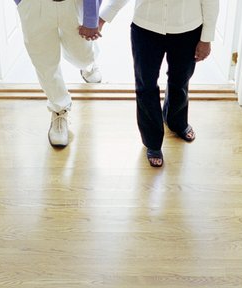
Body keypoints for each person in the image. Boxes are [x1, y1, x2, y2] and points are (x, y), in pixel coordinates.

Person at [100, 0, 218, 167]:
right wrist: (102, 17)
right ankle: (152, 141)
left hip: (188, 29)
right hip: (146, 27)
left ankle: (176, 122)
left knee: (180, 80)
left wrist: (206, 38)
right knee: (145, 85)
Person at [14, 0, 105, 148]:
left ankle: (87, 65)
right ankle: (59, 108)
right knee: (44, 61)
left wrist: (91, 17)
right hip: (34, 5)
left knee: (82, 55)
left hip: (74, 3)